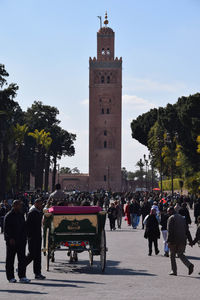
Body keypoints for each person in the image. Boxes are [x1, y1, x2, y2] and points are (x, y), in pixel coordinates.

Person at [4, 200, 30, 283]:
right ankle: (10, 277)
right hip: (12, 241)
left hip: (21, 241)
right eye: (19, 205)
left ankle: (22, 276)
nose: (20, 207)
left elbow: (24, 227)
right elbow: (6, 229)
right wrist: (10, 238)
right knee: (10, 260)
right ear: (14, 205)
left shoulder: (21, 214)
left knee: (22, 259)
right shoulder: (9, 215)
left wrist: (25, 237)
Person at [167, 206, 194, 276]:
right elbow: (187, 231)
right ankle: (189, 265)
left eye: (168, 211)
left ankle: (174, 271)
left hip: (174, 240)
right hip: (182, 240)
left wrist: (168, 241)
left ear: (171, 211)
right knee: (180, 254)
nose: (167, 213)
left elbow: (170, 231)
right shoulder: (182, 218)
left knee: (172, 255)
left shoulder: (171, 218)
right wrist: (190, 241)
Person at [25, 198, 46, 280]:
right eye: (40, 204)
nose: (41, 206)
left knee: (37, 255)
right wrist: (30, 236)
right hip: (33, 237)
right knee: (32, 254)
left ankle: (37, 273)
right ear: (36, 203)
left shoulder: (37, 212)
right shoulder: (32, 212)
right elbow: (28, 226)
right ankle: (21, 266)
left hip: (37, 236)